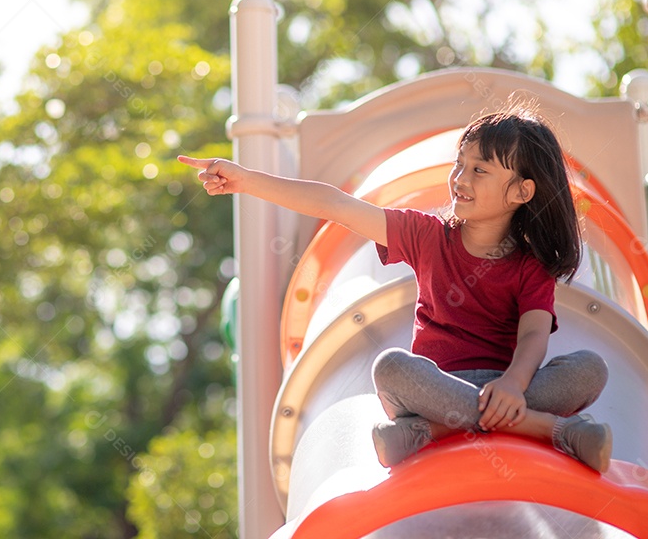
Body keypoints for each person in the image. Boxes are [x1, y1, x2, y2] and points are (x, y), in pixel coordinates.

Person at [179, 102, 612, 472]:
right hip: (434, 387)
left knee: (591, 368)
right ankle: (552, 431)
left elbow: (534, 333)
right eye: (459, 163)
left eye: (479, 170)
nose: (460, 178)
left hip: (505, 388)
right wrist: (246, 180)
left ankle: (427, 434)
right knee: (390, 366)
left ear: (522, 191)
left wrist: (516, 383)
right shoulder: (425, 235)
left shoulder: (529, 264)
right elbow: (335, 204)